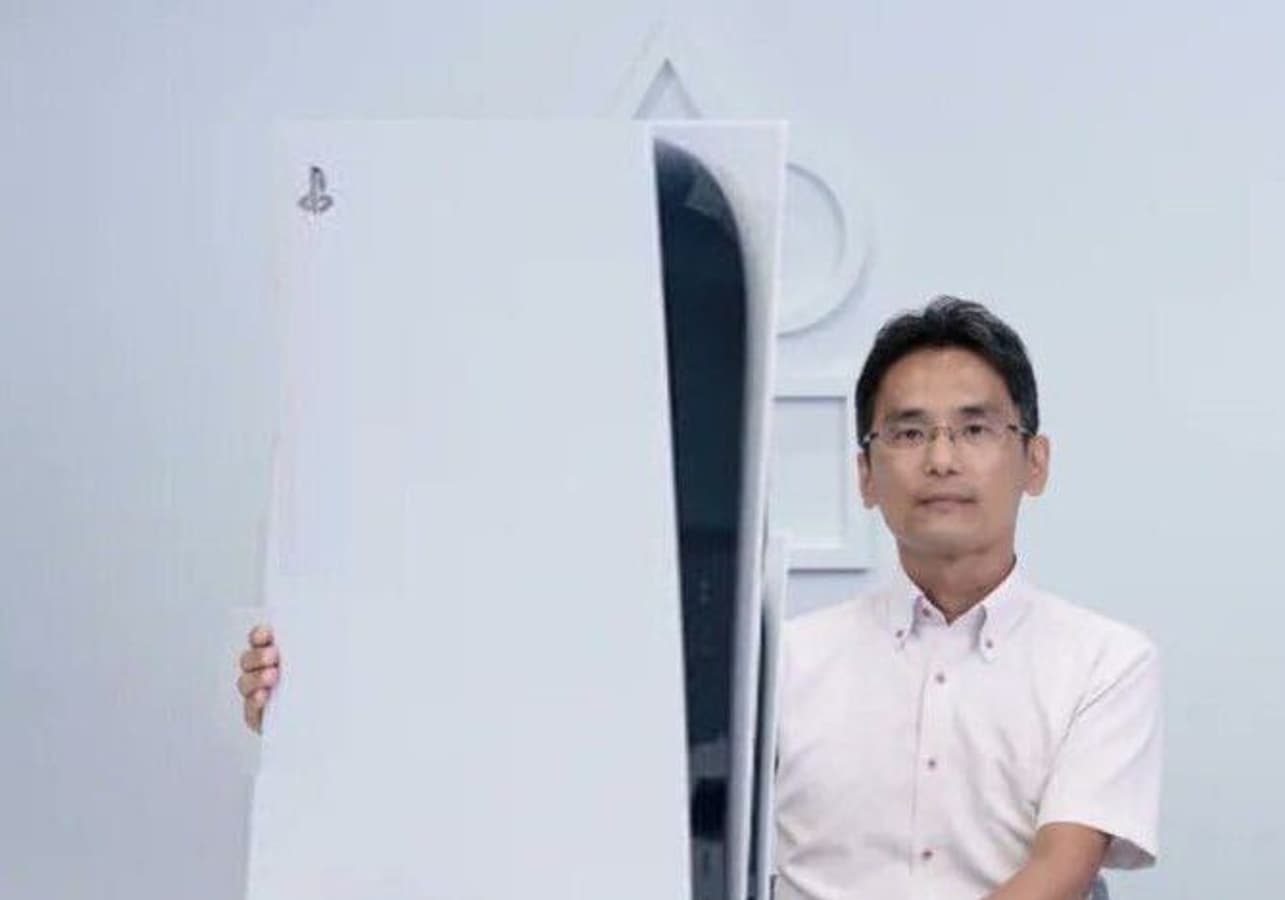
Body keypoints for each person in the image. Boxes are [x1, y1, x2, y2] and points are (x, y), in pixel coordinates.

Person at [237, 296, 1163, 900]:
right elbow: (562, 770)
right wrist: (318, 711)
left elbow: (1060, 871)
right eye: (909, 433)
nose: (943, 459)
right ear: (864, 474)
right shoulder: (779, 663)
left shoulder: (1103, 661)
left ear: (1034, 462)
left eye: (976, 429)